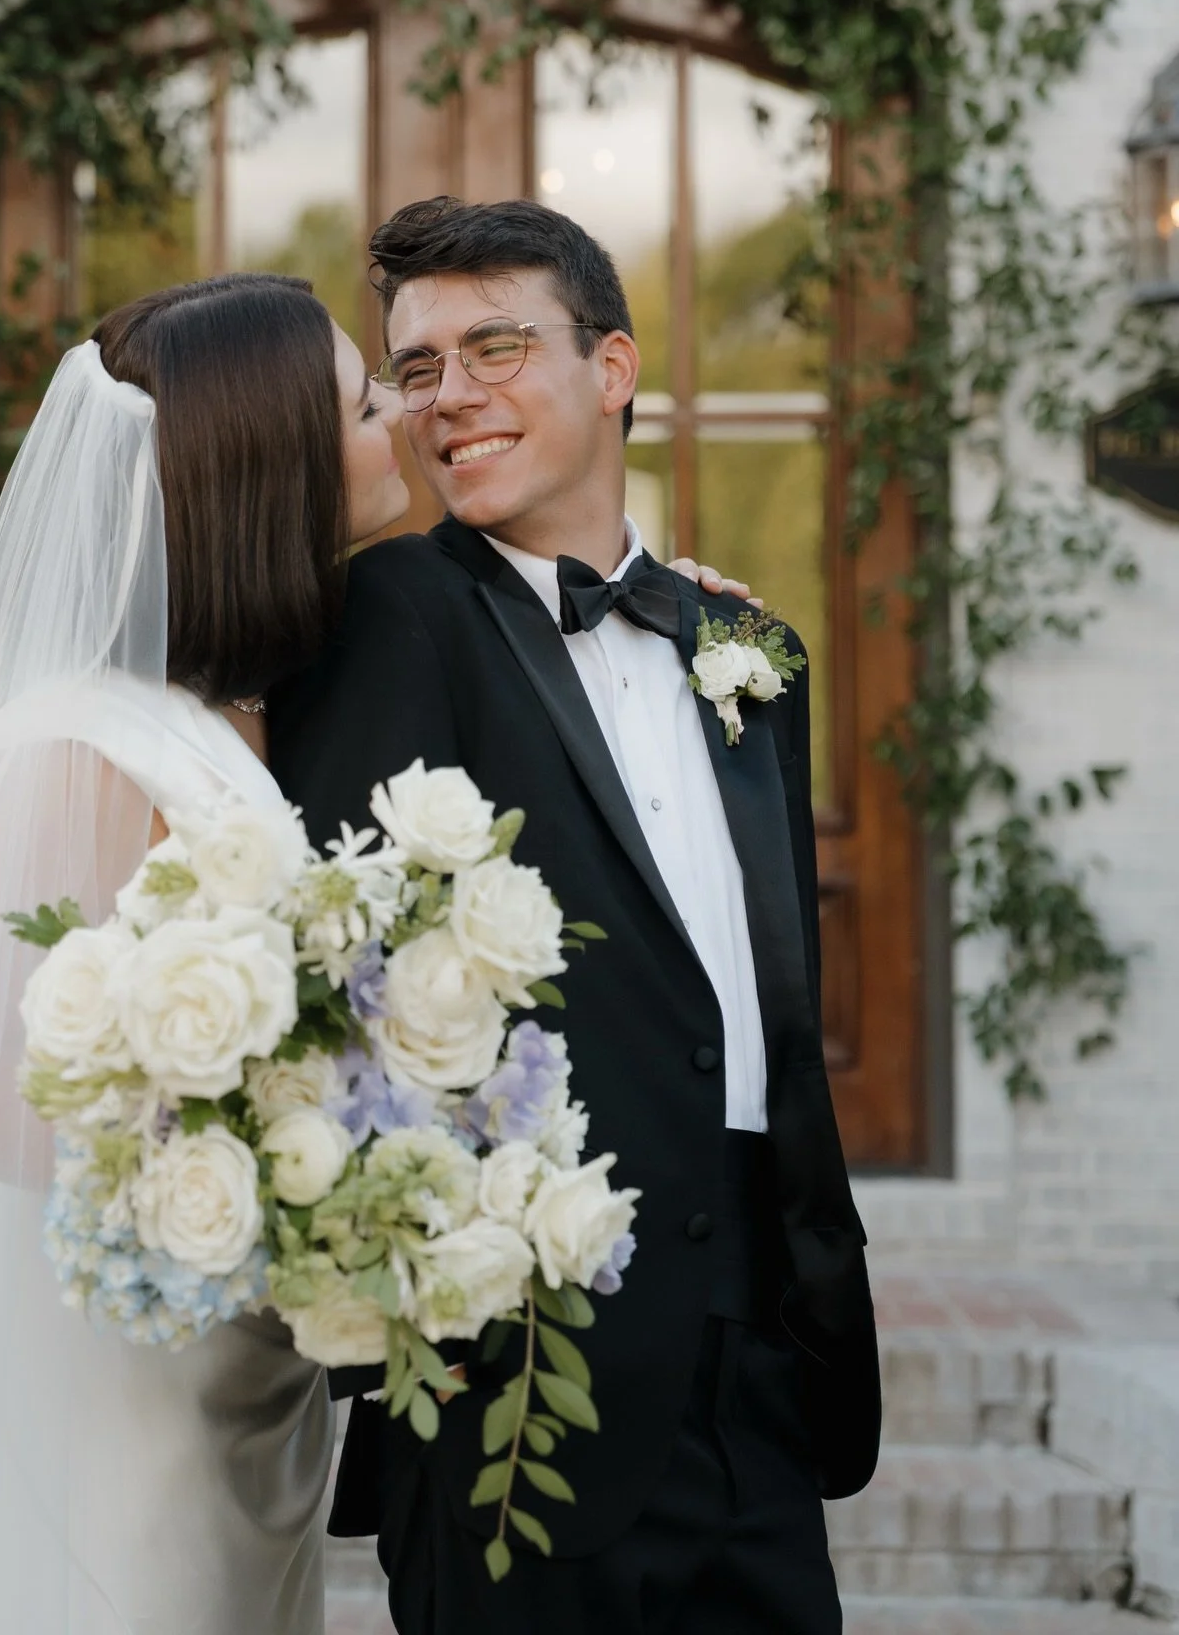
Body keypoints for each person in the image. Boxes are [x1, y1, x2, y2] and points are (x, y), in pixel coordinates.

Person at [0, 268, 747, 1634]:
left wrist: (665, 617)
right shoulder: (75, 742)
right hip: (117, 1405)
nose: (404, 415)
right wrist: (280, 1184)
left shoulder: (265, 701)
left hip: (246, 1396)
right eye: (366, 402)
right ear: (275, 465)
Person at [268, 198, 881, 1635]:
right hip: (524, 1379)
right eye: (417, 369)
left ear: (613, 369)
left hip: (763, 1364)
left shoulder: (747, 648)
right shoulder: (380, 619)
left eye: (495, 348)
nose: (449, 396)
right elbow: (338, 988)